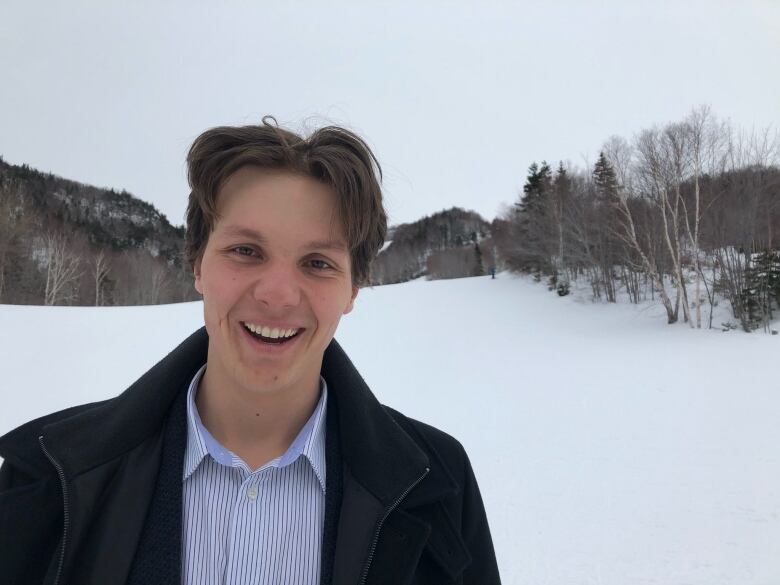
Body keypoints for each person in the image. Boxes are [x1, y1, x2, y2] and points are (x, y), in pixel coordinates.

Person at [0, 118, 501, 585]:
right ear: (197, 264)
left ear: (353, 289)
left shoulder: (438, 483)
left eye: (317, 262)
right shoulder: (47, 474)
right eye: (246, 251)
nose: (278, 294)